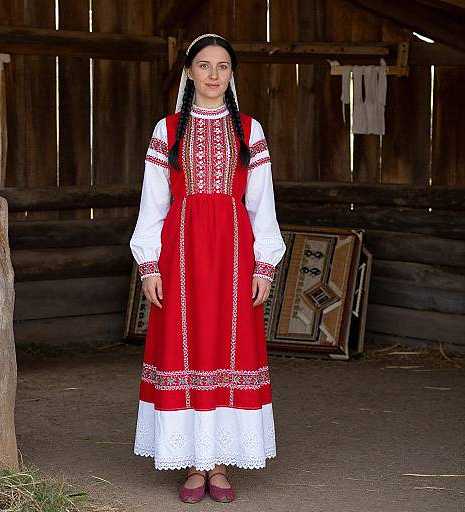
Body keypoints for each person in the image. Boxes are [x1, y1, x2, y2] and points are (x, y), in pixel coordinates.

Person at [129, 32, 286, 503]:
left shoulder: (250, 130)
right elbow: (153, 203)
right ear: (189, 72)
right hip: (181, 252)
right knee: (187, 345)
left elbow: (262, 204)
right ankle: (195, 467)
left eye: (222, 66)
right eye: (204, 65)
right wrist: (149, 265)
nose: (213, 74)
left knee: (227, 346)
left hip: (235, 253)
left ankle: (219, 465)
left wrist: (264, 265)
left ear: (231, 74)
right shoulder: (168, 129)